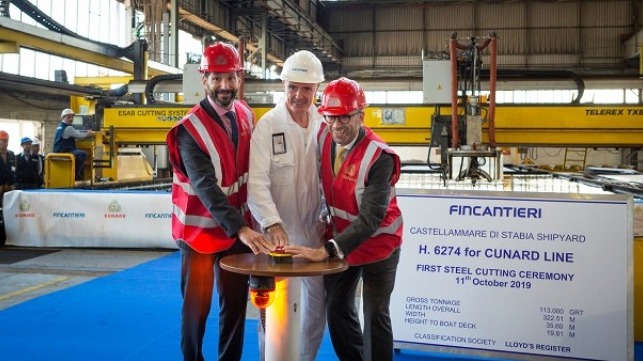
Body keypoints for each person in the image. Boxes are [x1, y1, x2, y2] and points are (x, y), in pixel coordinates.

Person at [165, 41, 274, 361]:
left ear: (240, 77)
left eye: (230, 78)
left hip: (236, 233)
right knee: (196, 310)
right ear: (204, 80)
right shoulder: (189, 130)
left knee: (236, 306)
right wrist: (242, 229)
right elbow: (207, 188)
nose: (224, 86)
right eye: (216, 78)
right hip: (200, 234)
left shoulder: (245, 114)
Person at [285, 77, 404, 361]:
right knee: (336, 307)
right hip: (342, 241)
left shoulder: (380, 157)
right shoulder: (324, 138)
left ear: (361, 115)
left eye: (345, 118)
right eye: (330, 117)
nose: (337, 125)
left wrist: (327, 249)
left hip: (379, 245)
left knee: (375, 313)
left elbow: (371, 218)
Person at [247, 50, 326, 361]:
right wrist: (271, 222)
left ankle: (305, 358)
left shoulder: (322, 124)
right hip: (277, 237)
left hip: (313, 233)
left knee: (315, 306)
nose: (298, 95)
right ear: (284, 86)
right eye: (293, 87)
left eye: (306, 89)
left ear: (317, 89)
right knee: (273, 310)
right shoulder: (268, 125)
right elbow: (257, 183)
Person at [52, 108, 94, 180]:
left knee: (78, 153)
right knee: (83, 154)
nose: (71, 119)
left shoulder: (59, 127)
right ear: (63, 117)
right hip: (64, 150)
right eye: (69, 117)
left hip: (58, 150)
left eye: (72, 117)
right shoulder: (68, 128)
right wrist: (88, 134)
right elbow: (80, 136)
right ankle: (76, 173)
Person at [0, 130, 16, 201]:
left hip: (10, 185)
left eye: (7, 141)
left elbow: (14, 169)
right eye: (4, 141)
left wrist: (12, 183)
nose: (6, 143)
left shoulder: (11, 154)